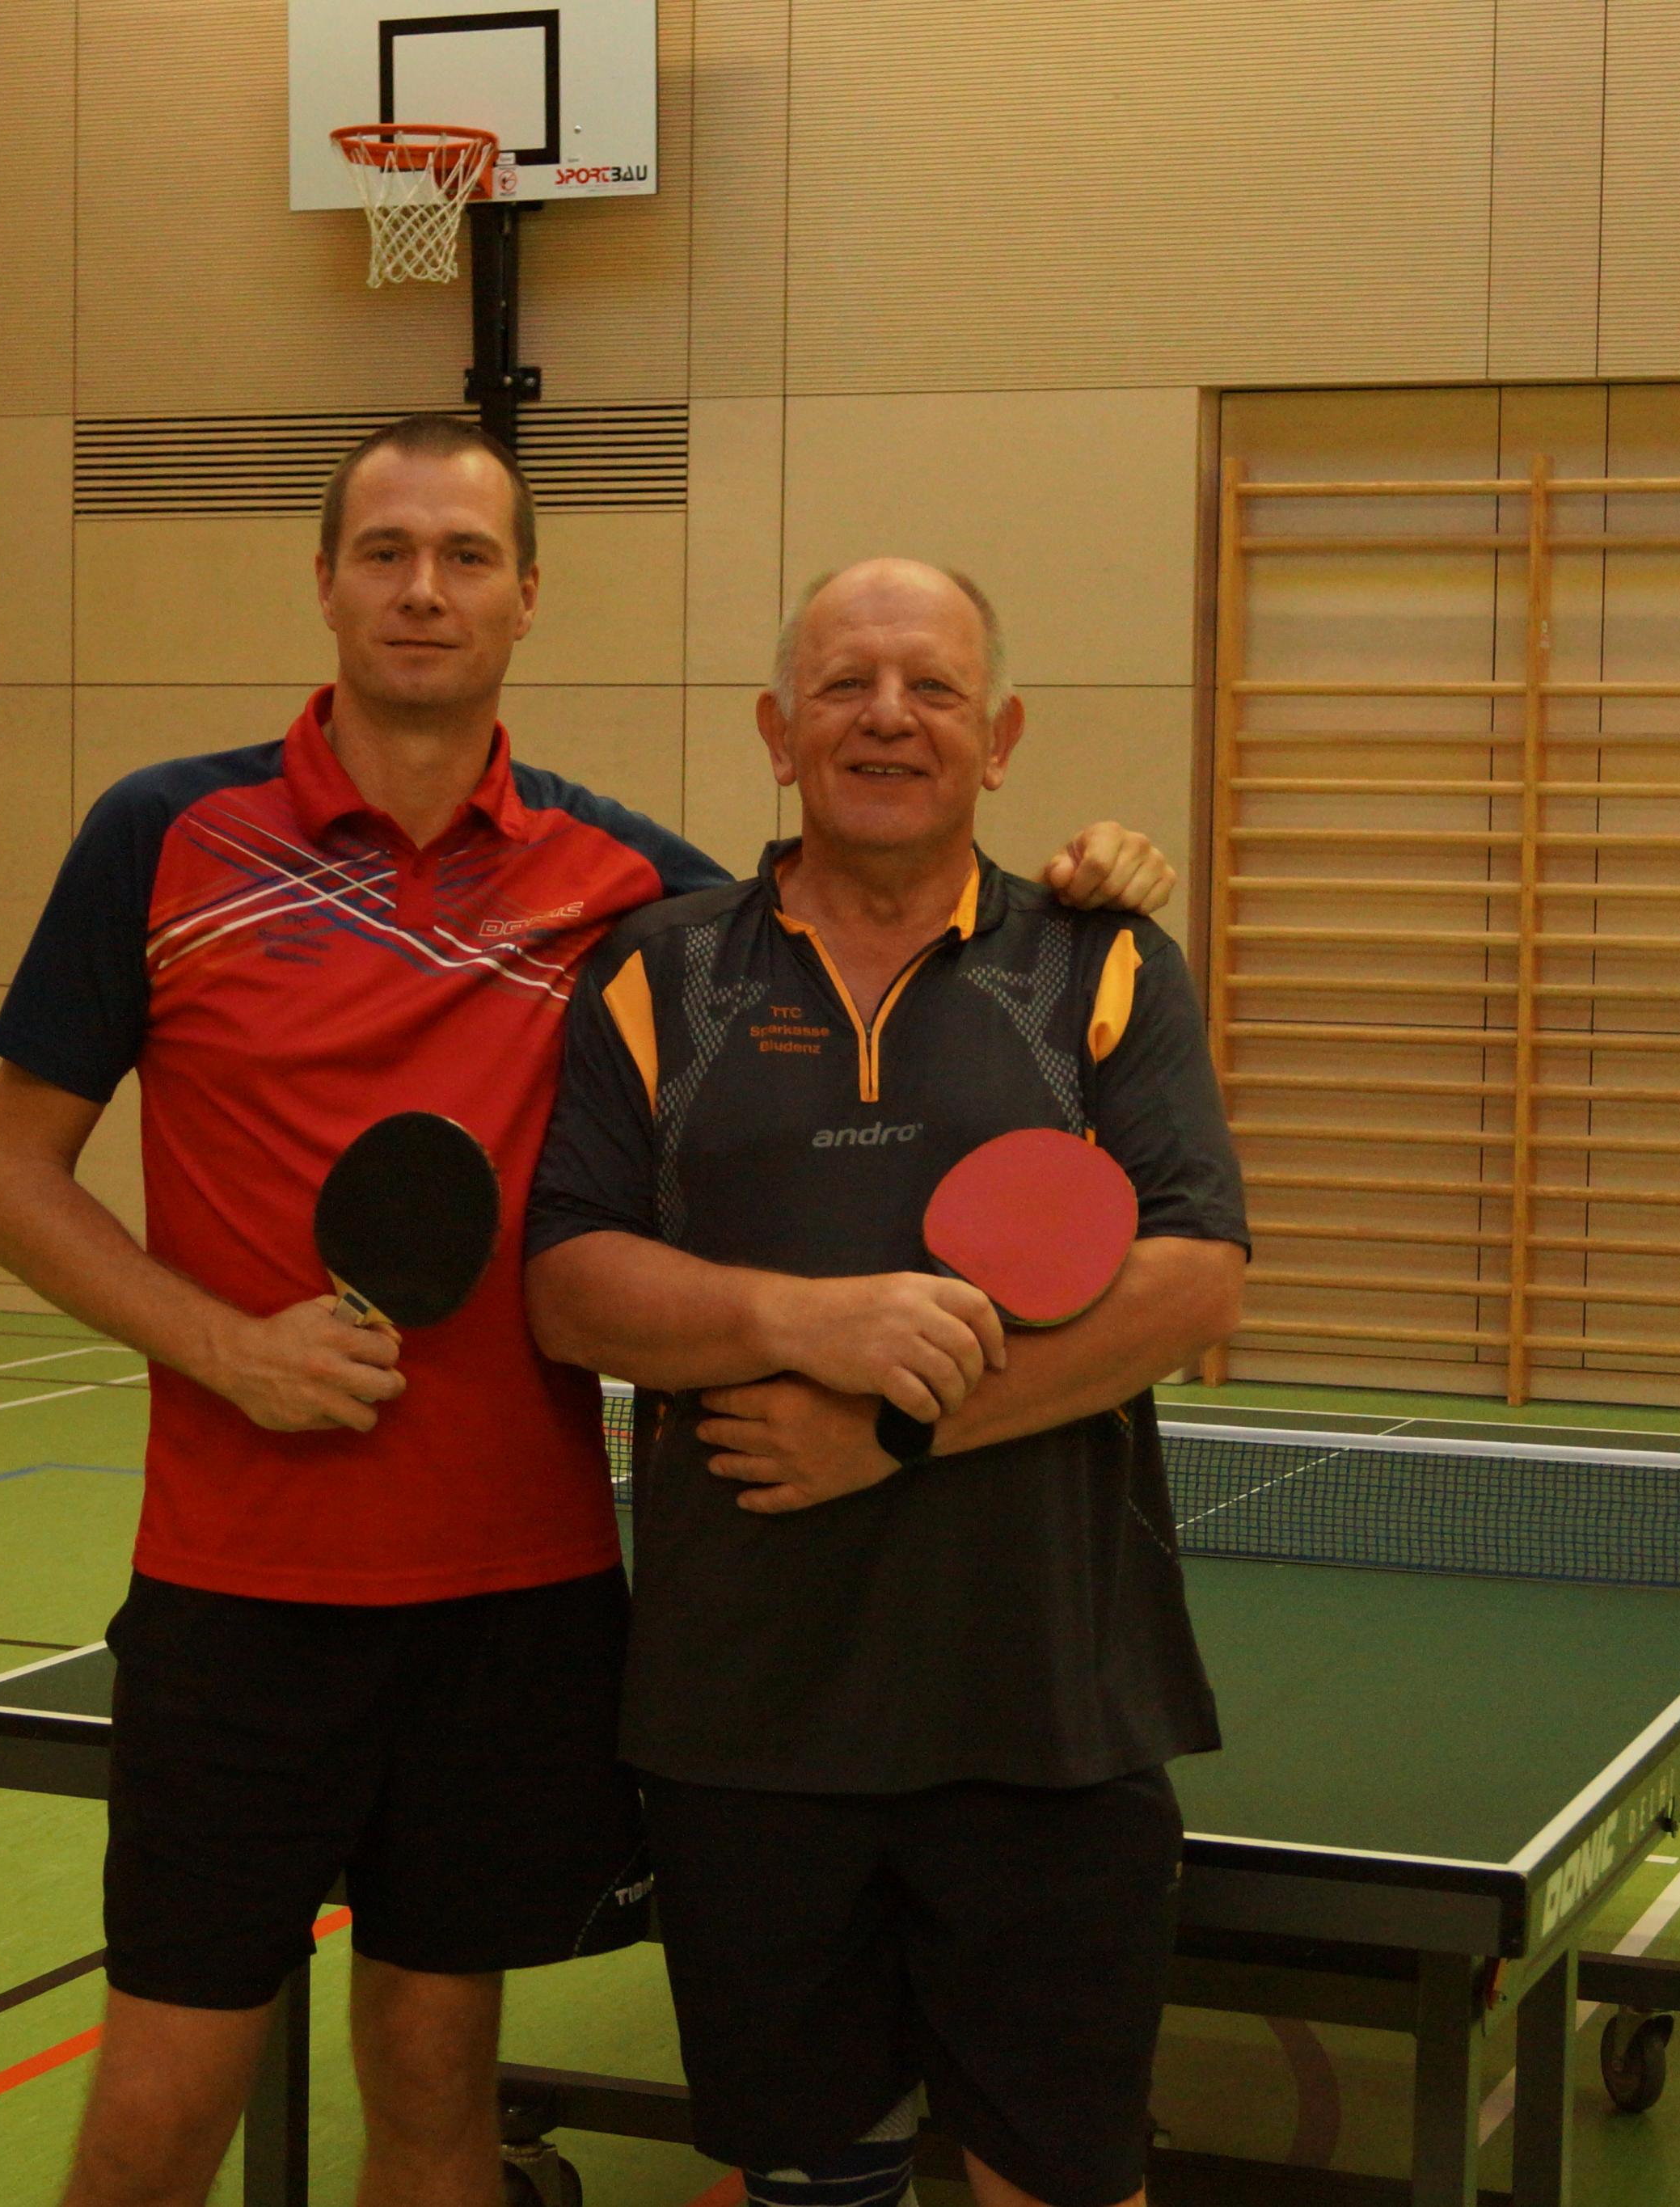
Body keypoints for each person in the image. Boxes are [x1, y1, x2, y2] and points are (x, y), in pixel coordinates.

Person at [0, 417, 1184, 2207]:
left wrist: (1089, 881)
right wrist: (227, 1347)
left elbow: (850, 889)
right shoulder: (164, 837)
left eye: (466, 555)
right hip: (238, 1586)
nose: (423, 589)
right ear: (323, 582)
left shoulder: (625, 888)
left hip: (514, 1597)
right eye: (385, 552)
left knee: (436, 2073)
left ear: (527, 596)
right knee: (162, 2100)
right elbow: (6, 1177)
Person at [523, 558, 1252, 2207]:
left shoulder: (1100, 963)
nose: (887, 717)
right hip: (746, 1720)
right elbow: (567, 1287)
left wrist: (895, 1429)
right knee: (809, 2184)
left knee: (1061, 2182)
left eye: (932, 688)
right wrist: (810, 1322)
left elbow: (1194, 1276)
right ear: (777, 730)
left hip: (1044, 1713)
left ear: (999, 737)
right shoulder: (657, 975)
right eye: (844, 685)